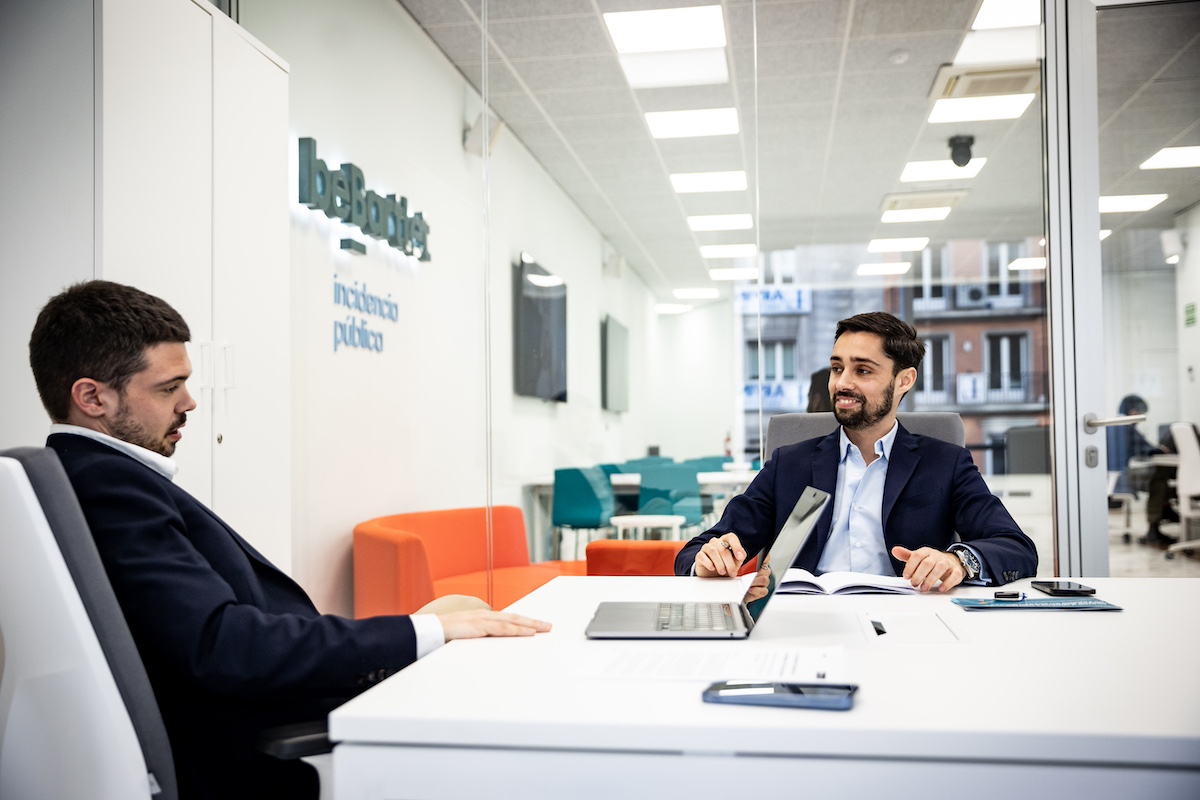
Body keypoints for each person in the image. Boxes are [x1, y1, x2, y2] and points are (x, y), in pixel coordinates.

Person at [27, 280, 551, 800]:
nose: (189, 402)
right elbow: (222, 646)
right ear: (92, 397)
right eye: (169, 388)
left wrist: (422, 626)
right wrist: (423, 632)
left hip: (270, 704)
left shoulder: (94, 478)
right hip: (251, 746)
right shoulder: (107, 485)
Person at [676, 311, 1038, 591]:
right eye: (837, 368)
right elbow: (698, 549)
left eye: (863, 370)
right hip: (804, 622)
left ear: (904, 380)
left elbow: (1015, 547)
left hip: (908, 625)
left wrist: (958, 562)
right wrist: (708, 559)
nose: (842, 383)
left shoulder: (944, 463)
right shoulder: (791, 464)